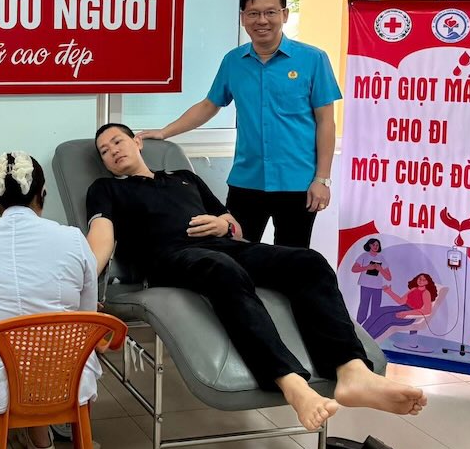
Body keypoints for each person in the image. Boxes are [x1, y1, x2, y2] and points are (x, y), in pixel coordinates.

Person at [86, 123, 426, 431]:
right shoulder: (106, 188)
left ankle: (352, 371)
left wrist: (224, 224)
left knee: (309, 261)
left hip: (224, 246)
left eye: (118, 141)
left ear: (137, 142)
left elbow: (233, 223)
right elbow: (100, 238)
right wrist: (84, 285)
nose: (113, 150)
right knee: (223, 271)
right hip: (168, 258)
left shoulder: (183, 177)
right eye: (104, 150)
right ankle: (292, 384)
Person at [138, 0, 340, 248]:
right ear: (243, 18)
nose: (262, 20)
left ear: (285, 15)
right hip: (247, 180)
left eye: (271, 12)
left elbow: (326, 122)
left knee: (292, 260)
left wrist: (322, 179)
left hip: (298, 183)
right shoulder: (233, 61)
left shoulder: (313, 59)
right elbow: (209, 105)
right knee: (234, 252)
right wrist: (165, 132)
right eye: (254, 13)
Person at [0, 151, 101, 449]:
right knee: (50, 323)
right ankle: (41, 437)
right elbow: (89, 312)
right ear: (42, 194)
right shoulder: (73, 239)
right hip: (67, 381)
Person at [364, 273, 439, 340]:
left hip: (410, 315)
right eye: (419, 279)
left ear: (427, 282)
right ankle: (361, 333)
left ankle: (368, 339)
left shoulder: (426, 293)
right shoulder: (413, 289)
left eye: (424, 280)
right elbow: (400, 301)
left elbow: (427, 310)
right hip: (402, 307)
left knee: (386, 318)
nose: (420, 281)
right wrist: (389, 291)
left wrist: (406, 313)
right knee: (378, 311)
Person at [350, 238, 392, 324]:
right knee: (363, 307)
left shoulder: (381, 258)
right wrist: (367, 267)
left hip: (377, 287)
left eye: (377, 245)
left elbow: (389, 277)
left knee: (376, 308)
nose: (376, 247)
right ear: (369, 245)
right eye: (374, 245)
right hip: (365, 285)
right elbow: (354, 269)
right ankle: (360, 326)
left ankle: (373, 327)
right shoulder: (364, 256)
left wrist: (380, 269)